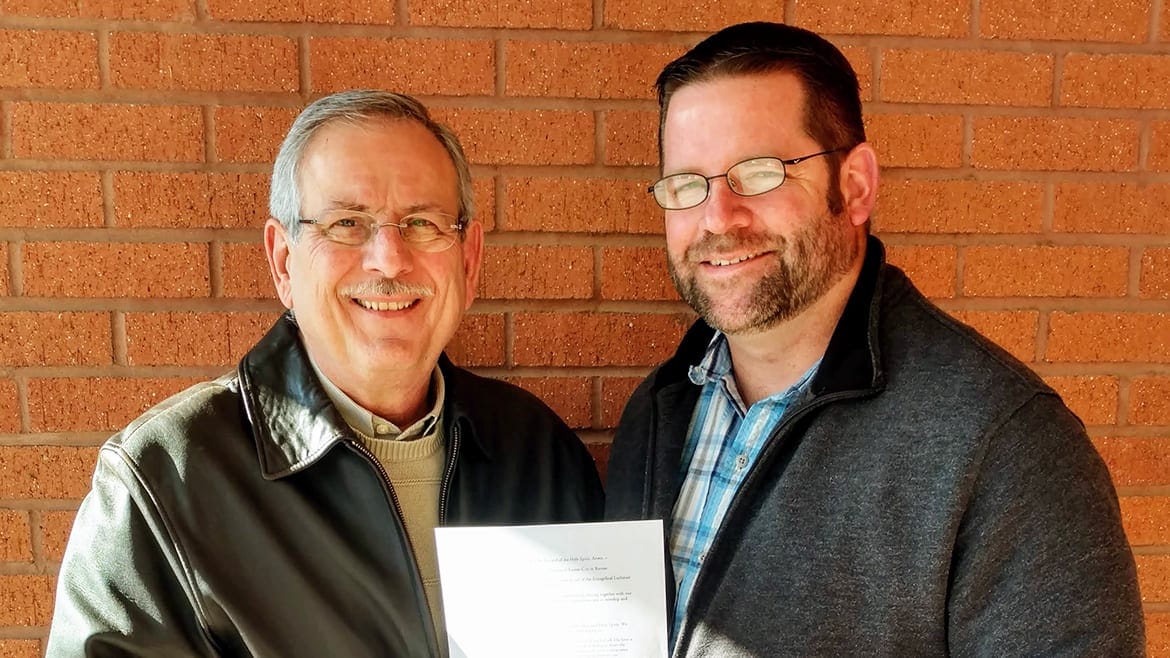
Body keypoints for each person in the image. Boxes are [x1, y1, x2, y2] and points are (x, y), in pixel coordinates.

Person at [605, 22, 1144, 656]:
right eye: (687, 186)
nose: (718, 219)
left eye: (758, 173)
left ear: (855, 185)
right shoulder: (660, 408)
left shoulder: (1005, 444)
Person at [47, 90, 605, 657]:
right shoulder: (164, 481)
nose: (388, 259)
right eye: (346, 223)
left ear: (468, 259)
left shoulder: (540, 455)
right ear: (283, 261)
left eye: (421, 223)